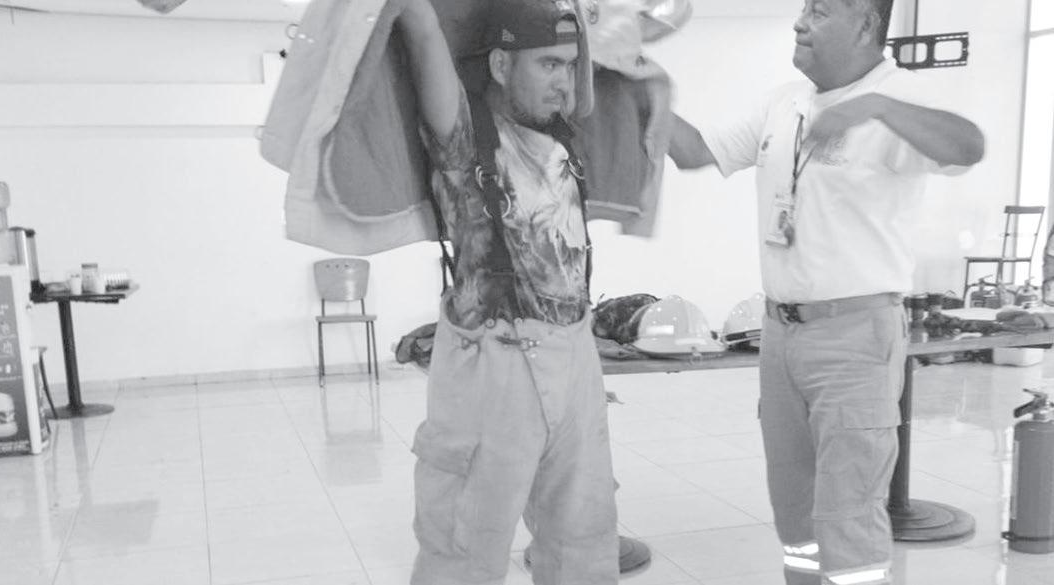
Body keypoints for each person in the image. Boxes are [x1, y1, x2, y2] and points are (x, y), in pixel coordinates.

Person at [667, 1, 985, 584]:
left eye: (819, 11)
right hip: (780, 335)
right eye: (804, 9)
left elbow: (968, 146)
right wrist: (637, 83)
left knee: (848, 515)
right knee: (796, 515)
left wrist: (875, 107)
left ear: (866, 25)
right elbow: (693, 151)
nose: (800, 22)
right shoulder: (784, 102)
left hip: (855, 338)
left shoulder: (898, 96)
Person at [395, 1, 619, 584]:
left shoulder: (564, 140)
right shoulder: (466, 138)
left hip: (575, 358)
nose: (564, 82)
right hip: (492, 367)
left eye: (569, 66)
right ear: (499, 65)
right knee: (463, 549)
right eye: (548, 64)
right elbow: (422, 28)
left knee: (585, 541)